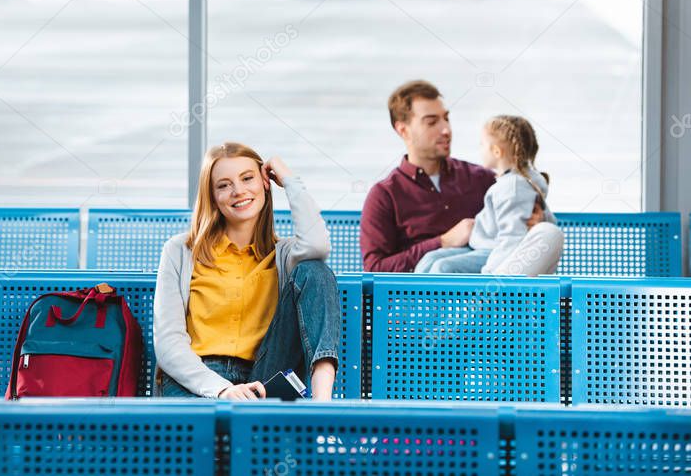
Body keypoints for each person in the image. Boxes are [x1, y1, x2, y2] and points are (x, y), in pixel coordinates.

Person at [153, 142, 341, 400]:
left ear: (265, 183)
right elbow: (169, 343)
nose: (238, 191)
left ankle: (323, 404)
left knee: (316, 270)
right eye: (224, 185)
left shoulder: (284, 255)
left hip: (262, 375)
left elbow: (318, 245)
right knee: (216, 434)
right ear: (213, 197)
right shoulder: (180, 251)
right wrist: (222, 389)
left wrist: (289, 180)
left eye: (247, 178)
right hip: (198, 379)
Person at [360, 80, 543, 272]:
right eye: (431, 122)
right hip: (415, 298)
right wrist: (443, 241)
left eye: (446, 118)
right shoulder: (385, 195)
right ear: (403, 130)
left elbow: (516, 222)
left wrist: (535, 222)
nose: (446, 130)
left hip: (483, 293)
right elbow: (375, 268)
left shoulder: (483, 179)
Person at [415, 115, 564, 274]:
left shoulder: (512, 188)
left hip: (494, 253)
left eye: (482, 144)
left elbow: (513, 237)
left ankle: (427, 298)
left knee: (443, 267)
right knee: (430, 259)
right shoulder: (513, 181)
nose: (480, 149)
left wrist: (488, 275)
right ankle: (411, 297)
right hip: (481, 247)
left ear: (496, 151)